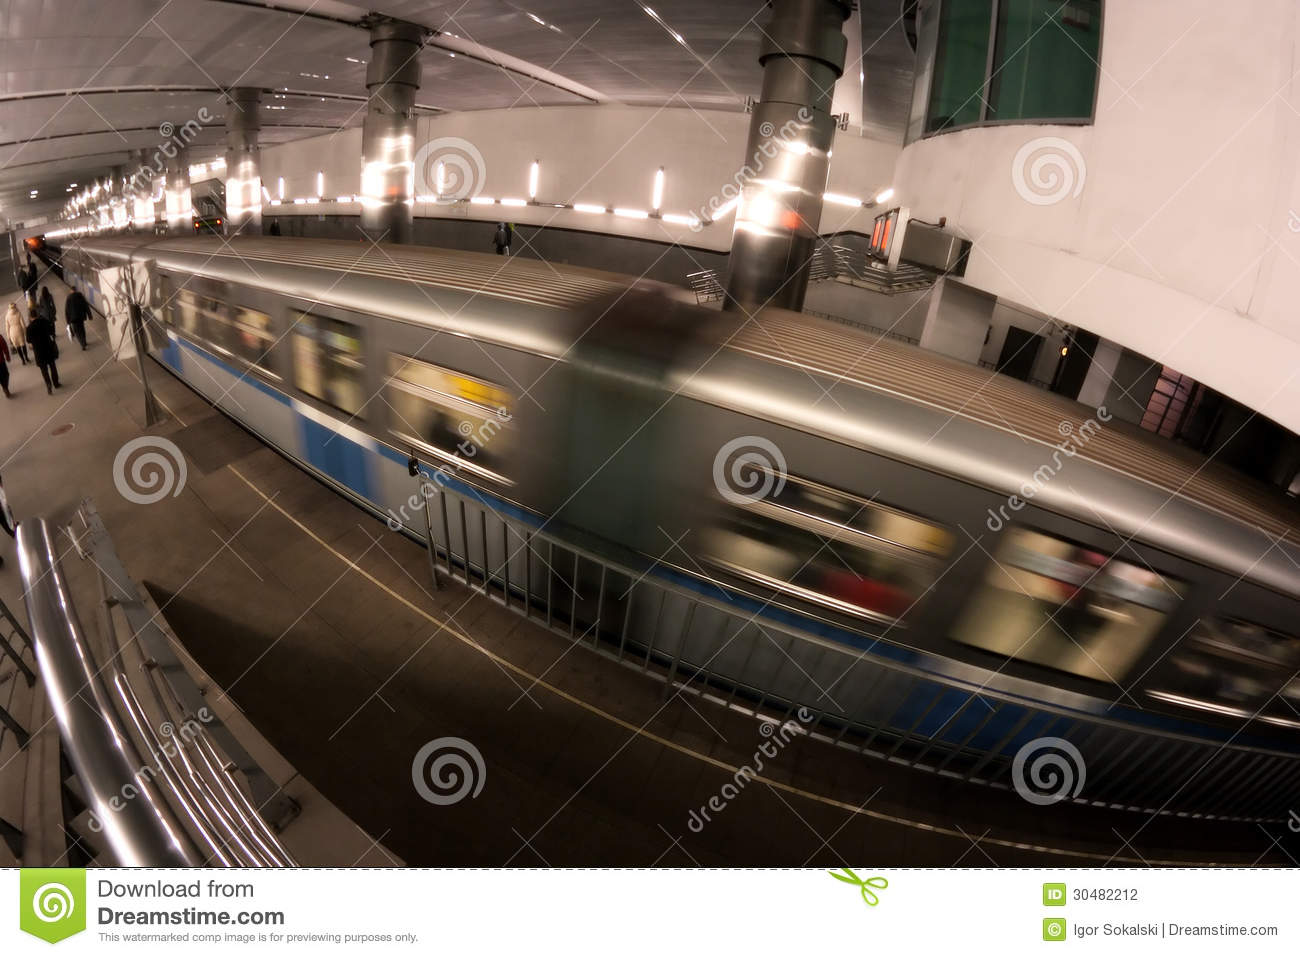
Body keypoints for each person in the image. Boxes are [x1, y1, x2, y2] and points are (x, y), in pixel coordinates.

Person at [26, 305, 59, 394]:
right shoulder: (44, 321)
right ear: (37, 314)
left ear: (30, 317)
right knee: (52, 366)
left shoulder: (29, 328)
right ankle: (56, 383)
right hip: (48, 348)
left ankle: (48, 384)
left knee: (44, 370)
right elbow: (51, 331)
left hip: (39, 352)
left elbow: (28, 340)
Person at [0, 330, 10, 398]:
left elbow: (4, 345)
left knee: (2, 376)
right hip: (1, 361)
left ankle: (4, 387)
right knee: (5, 374)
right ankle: (5, 387)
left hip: (1, 360)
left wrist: (7, 355)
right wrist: (7, 356)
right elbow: (4, 346)